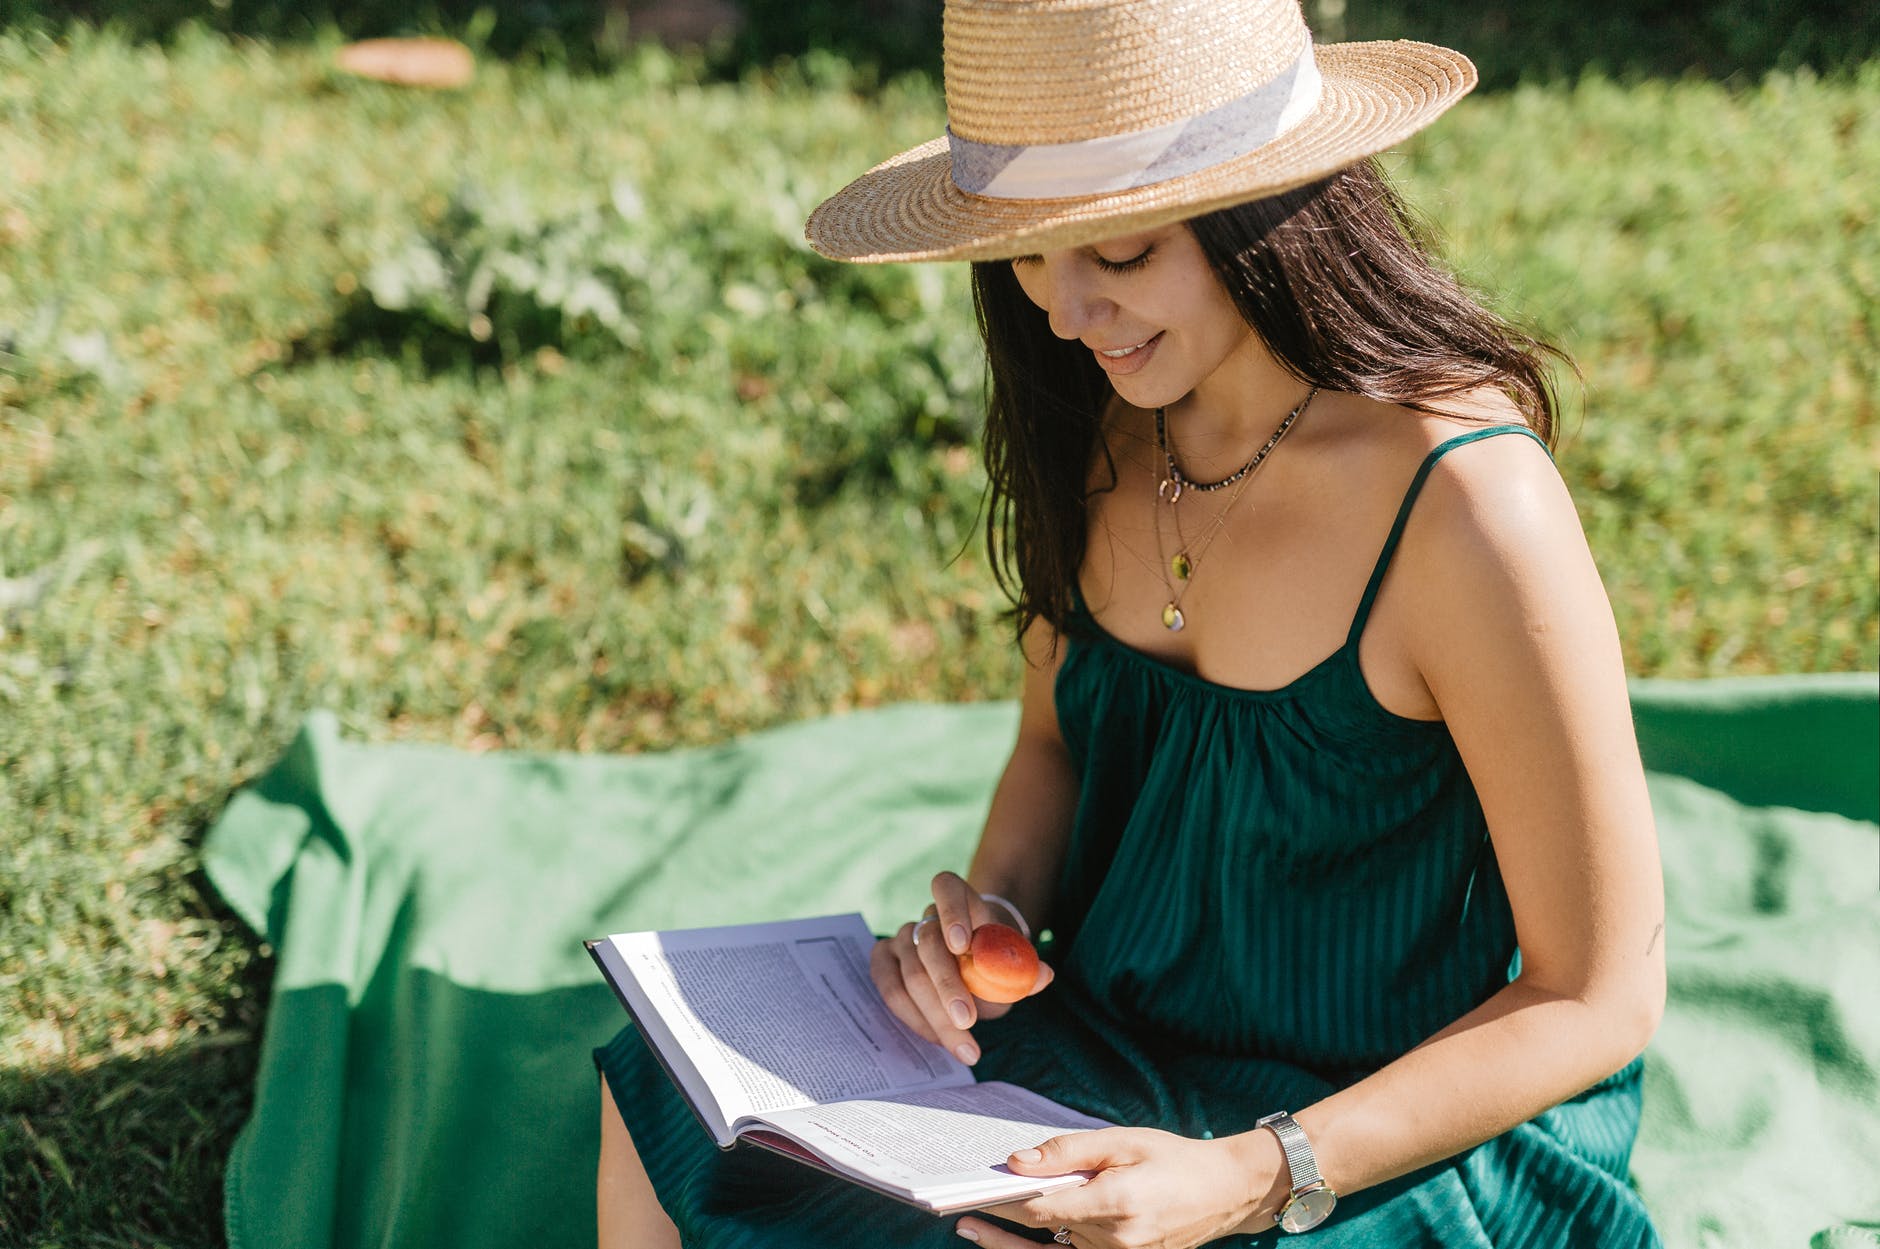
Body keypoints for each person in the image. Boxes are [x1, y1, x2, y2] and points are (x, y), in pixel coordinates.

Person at [596, 0, 1668, 1244]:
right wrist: (980, 924)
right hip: (1112, 1043)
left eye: (1119, 254)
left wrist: (1246, 1176)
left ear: (1271, 213)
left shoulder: (1468, 507)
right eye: (1030, 255)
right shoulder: (1105, 416)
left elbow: (1597, 995)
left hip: (1386, 1130)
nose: (1062, 313)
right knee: (673, 1091)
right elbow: (1059, 744)